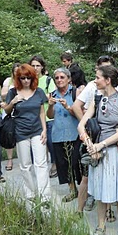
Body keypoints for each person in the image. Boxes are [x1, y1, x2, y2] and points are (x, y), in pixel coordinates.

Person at [77, 65, 118, 235]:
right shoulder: (97, 99)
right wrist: (89, 144)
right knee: (100, 190)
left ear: (108, 80)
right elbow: (81, 125)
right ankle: (101, 225)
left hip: (116, 151)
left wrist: (100, 145)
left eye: (97, 77)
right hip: (97, 151)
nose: (95, 80)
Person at [72, 55, 117, 212]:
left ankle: (108, 210)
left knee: (109, 175)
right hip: (93, 136)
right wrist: (88, 125)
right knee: (86, 174)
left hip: (110, 137)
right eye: (102, 67)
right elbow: (76, 106)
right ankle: (80, 210)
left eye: (108, 67)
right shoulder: (92, 86)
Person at [4, 63, 50, 200]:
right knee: (25, 165)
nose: (26, 81)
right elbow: (7, 111)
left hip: (37, 130)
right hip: (20, 131)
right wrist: (13, 102)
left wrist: (44, 130)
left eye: (28, 78)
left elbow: (42, 112)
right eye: (23, 78)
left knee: (41, 163)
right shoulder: (13, 92)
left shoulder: (39, 92)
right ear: (18, 78)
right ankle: (30, 194)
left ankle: (44, 196)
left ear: (33, 78)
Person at [47, 67, 84, 204]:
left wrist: (68, 107)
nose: (59, 80)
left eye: (62, 77)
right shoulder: (53, 94)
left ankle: (84, 191)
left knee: (77, 163)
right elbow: (50, 115)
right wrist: (50, 105)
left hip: (75, 133)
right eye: (57, 78)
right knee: (64, 164)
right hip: (58, 133)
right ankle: (72, 190)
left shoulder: (76, 92)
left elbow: (82, 114)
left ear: (69, 79)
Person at [29, 55, 57, 177]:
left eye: (38, 65)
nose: (35, 68)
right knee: (38, 145)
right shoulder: (27, 80)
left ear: (42, 67)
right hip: (33, 118)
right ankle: (41, 167)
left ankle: (55, 164)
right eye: (33, 66)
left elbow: (52, 97)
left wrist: (37, 96)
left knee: (51, 143)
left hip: (47, 116)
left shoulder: (47, 80)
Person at [1, 63, 21, 171]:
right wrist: (12, 92)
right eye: (16, 71)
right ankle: (9, 159)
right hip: (9, 110)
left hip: (21, 112)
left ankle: (22, 158)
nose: (18, 73)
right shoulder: (8, 81)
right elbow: (3, 94)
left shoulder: (25, 80)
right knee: (9, 134)